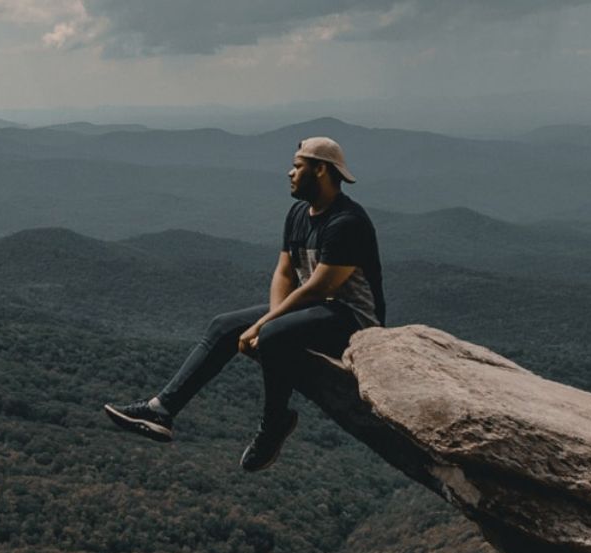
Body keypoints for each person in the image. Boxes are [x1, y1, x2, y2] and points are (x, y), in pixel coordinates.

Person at [103, 136, 384, 471]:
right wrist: (271, 316)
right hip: (316, 310)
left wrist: (264, 326)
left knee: (272, 336)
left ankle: (274, 424)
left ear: (321, 170)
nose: (289, 173)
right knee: (223, 325)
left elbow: (318, 287)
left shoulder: (346, 222)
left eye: (297, 166)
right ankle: (162, 409)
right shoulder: (298, 214)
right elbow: (284, 274)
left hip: (353, 321)